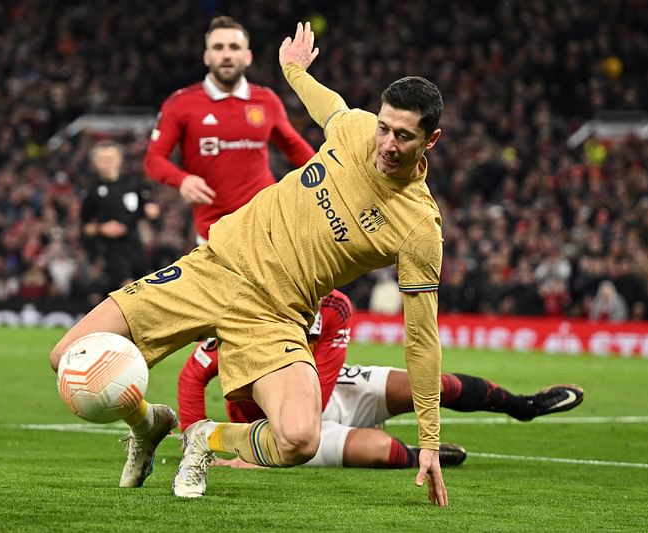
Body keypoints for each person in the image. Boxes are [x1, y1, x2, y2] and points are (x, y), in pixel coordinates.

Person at [49, 21, 448, 505]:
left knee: (301, 439)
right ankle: (148, 423)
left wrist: (428, 439)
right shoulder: (356, 129)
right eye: (384, 127)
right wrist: (294, 70)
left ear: (431, 140)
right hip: (216, 267)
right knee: (67, 357)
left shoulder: (419, 228)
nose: (386, 143)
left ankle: (203, 437)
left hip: (276, 315)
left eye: (403, 137)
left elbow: (422, 337)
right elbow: (329, 103)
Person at [177, 290, 585, 470]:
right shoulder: (249, 315)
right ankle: (419, 455)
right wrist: (199, 445)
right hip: (276, 428)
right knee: (381, 451)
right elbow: (192, 376)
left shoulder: (335, 307)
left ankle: (524, 406)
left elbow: (316, 396)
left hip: (322, 395)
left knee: (429, 384)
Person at [144, 16, 315, 242]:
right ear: (207, 56)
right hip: (214, 233)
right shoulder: (180, 103)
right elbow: (154, 160)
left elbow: (296, 149)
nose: (226, 54)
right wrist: (182, 180)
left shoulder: (266, 100)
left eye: (234, 47)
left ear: (247, 56)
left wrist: (327, 179)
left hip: (268, 225)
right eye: (218, 47)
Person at [80, 140, 160, 290]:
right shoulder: (91, 191)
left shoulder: (133, 183)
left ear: (119, 160)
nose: (107, 163)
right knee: (127, 288)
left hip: (136, 244)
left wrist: (151, 211)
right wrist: (102, 228)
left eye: (110, 158)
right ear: (95, 163)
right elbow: (84, 227)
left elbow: (148, 208)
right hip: (111, 249)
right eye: (102, 159)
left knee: (146, 287)